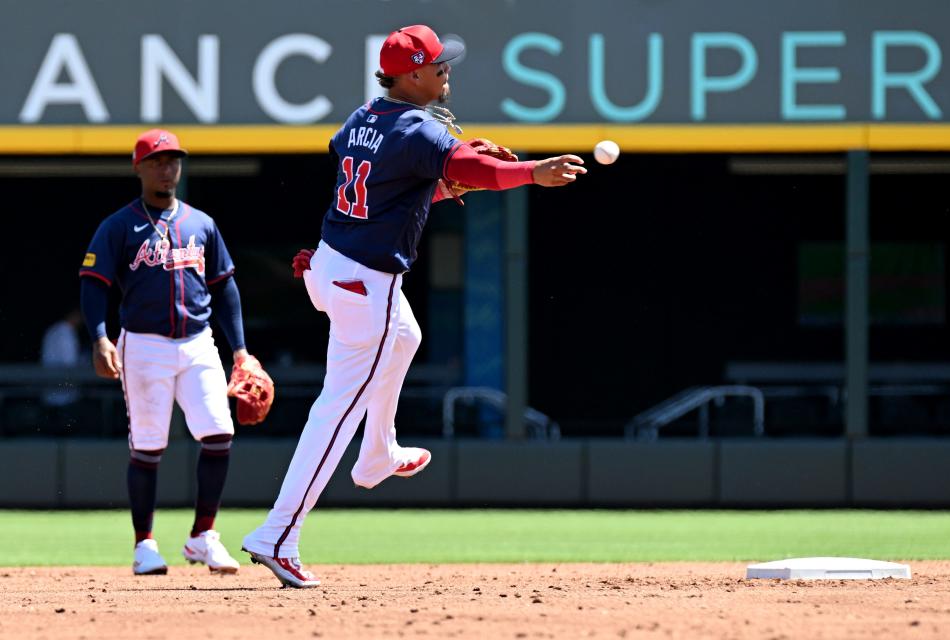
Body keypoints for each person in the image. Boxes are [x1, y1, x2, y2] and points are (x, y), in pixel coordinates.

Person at [241, 25, 586, 588]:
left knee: (405, 337)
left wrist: (450, 175)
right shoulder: (417, 129)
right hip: (363, 283)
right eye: (437, 64)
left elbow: (397, 185)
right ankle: (278, 535)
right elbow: (470, 169)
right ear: (409, 74)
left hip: (332, 265)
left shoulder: (362, 117)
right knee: (334, 413)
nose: (447, 69)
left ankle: (378, 452)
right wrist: (531, 172)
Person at [79, 129, 261, 576]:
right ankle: (145, 545)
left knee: (219, 435)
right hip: (144, 345)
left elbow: (225, 287)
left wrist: (241, 351)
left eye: (173, 159)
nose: (167, 167)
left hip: (198, 342)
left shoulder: (200, 223)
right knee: (148, 447)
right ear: (139, 167)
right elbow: (93, 283)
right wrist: (101, 337)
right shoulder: (119, 225)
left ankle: (203, 537)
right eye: (158, 160)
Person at [40, 308, 84, 407]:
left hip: (50, 392)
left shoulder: (53, 329)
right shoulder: (66, 332)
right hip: (63, 395)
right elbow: (70, 362)